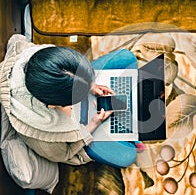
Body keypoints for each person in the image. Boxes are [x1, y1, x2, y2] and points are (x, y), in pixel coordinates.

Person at [0, 34, 143, 168]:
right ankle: (129, 134)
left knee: (127, 57)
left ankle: (128, 130)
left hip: (64, 89)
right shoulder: (43, 138)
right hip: (79, 136)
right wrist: (93, 124)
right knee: (128, 157)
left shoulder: (41, 57)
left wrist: (90, 85)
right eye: (77, 99)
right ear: (53, 106)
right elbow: (66, 153)